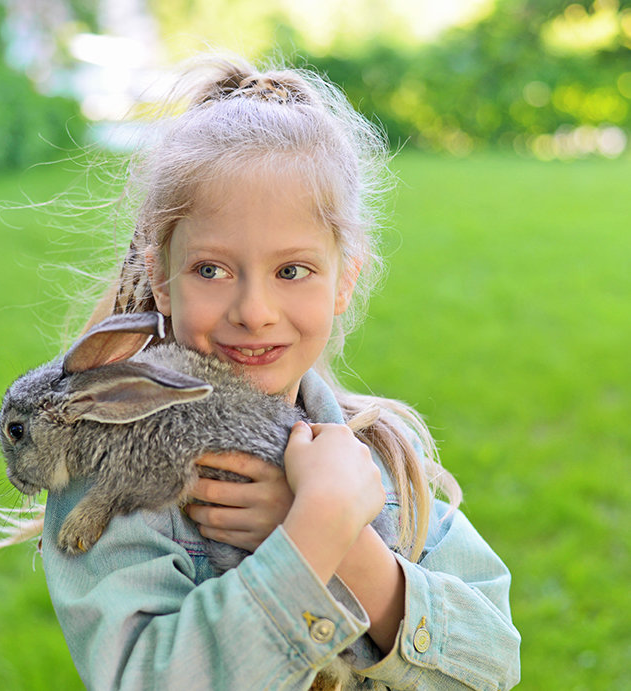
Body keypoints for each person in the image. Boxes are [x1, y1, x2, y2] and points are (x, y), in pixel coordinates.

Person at [37, 56, 521, 689]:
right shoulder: (119, 478)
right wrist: (311, 539)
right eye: (211, 270)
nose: (253, 312)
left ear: (344, 279)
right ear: (161, 277)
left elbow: (494, 665)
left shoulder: (377, 459)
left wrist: (344, 537)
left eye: (292, 271)